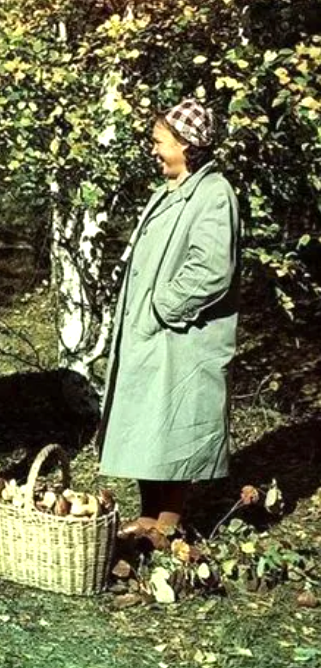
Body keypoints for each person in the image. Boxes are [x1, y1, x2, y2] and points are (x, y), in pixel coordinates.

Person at [98, 99, 240, 537]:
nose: (153, 150)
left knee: (175, 425)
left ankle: (169, 523)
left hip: (181, 332)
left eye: (160, 142)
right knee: (148, 421)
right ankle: (148, 515)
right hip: (151, 332)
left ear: (187, 145)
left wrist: (164, 306)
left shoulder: (215, 194)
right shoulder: (170, 191)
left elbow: (212, 268)